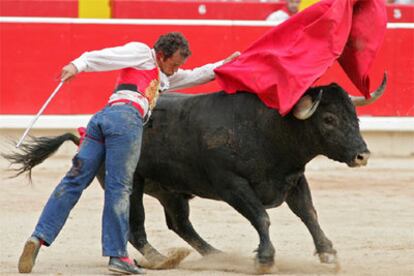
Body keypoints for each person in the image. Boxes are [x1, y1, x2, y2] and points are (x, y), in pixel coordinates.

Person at [17, 32, 240, 275]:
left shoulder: (163, 77)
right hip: (126, 120)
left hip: (101, 119)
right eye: (174, 64)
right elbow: (106, 56)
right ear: (161, 55)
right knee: (120, 188)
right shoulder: (143, 54)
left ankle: (38, 237)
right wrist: (77, 65)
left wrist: (223, 64)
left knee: (73, 181)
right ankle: (118, 256)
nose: (176, 70)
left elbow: (196, 75)